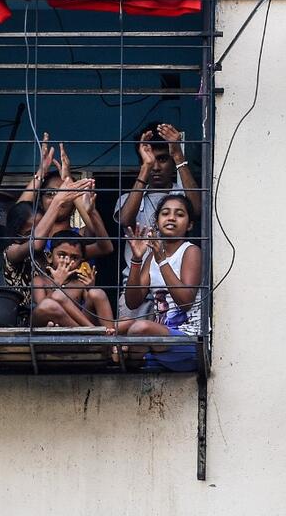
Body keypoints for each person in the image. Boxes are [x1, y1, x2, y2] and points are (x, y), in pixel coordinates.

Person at [113, 122, 201, 320]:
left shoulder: (180, 196)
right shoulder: (129, 198)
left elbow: (196, 209)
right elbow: (126, 220)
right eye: (151, 159)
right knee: (128, 343)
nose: (157, 166)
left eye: (162, 159)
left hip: (174, 291)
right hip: (136, 287)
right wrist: (146, 167)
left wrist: (178, 155)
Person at [116, 194, 202, 370]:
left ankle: (134, 357)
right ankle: (133, 358)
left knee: (139, 329)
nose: (171, 218)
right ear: (157, 221)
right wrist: (137, 259)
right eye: (165, 213)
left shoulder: (191, 251)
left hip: (187, 341)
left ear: (190, 224)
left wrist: (162, 261)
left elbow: (185, 302)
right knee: (121, 324)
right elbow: (132, 302)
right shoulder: (152, 257)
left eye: (179, 214)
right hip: (161, 341)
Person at [4, 171, 93, 312]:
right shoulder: (12, 251)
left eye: (40, 229)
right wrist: (57, 198)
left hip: (57, 317)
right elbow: (19, 214)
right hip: (24, 323)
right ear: (17, 234)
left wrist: (70, 188)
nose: (39, 233)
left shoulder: (51, 254)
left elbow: (103, 243)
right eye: (30, 232)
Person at [32, 230, 113, 327]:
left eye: (74, 258)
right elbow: (42, 309)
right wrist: (56, 284)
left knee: (97, 292)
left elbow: (91, 310)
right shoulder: (40, 281)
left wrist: (90, 288)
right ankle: (90, 330)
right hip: (48, 322)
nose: (67, 261)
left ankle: (107, 333)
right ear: (49, 257)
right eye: (62, 255)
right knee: (55, 298)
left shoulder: (79, 283)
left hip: (75, 323)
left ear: (80, 262)